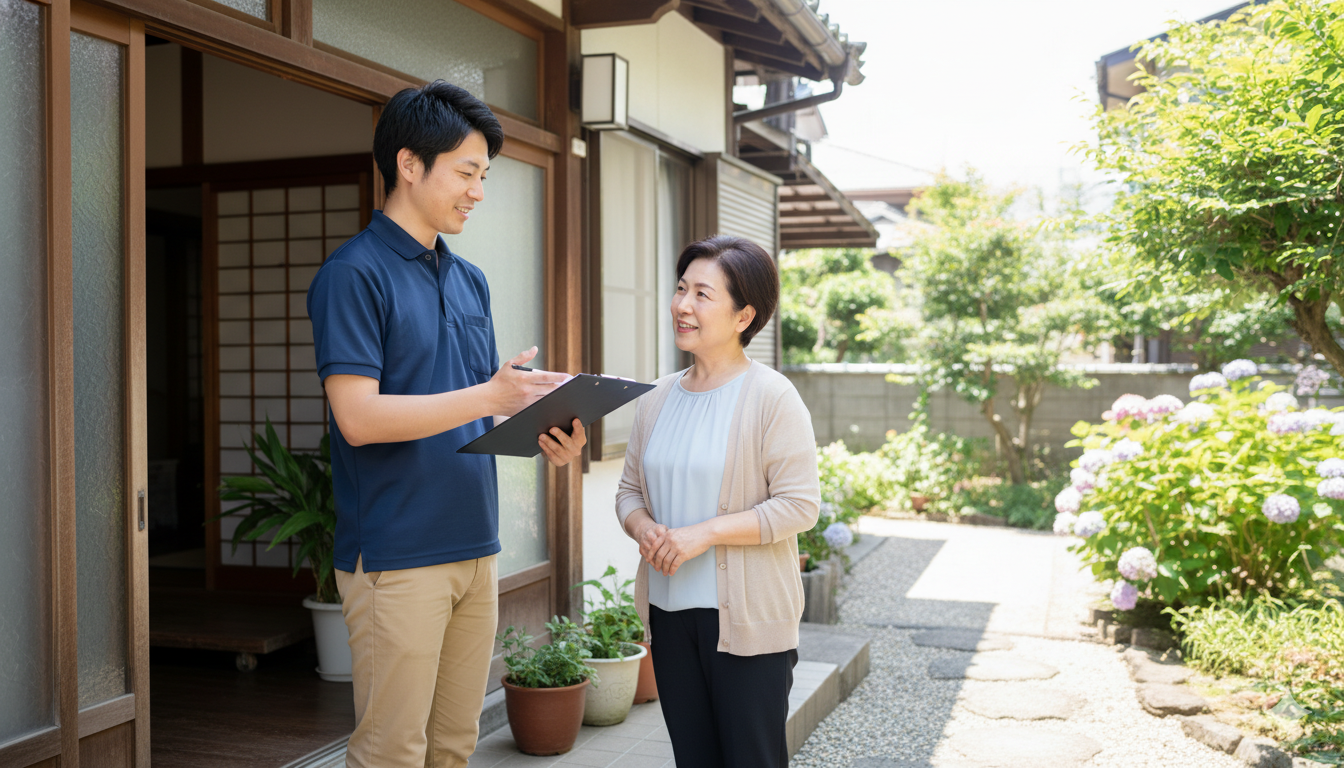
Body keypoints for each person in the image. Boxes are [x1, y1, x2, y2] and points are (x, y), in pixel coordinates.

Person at [307, 80, 586, 768]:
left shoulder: (470, 280)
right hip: (398, 556)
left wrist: (542, 427)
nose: (478, 191)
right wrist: (490, 393)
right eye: (467, 172)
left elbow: (468, 406)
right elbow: (359, 418)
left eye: (483, 176)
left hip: (475, 544)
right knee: (392, 752)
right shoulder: (352, 274)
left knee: (454, 747)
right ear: (409, 164)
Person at [615, 235, 821, 767]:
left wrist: (702, 533)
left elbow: (800, 506)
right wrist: (644, 529)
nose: (683, 305)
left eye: (702, 294)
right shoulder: (657, 396)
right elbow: (630, 492)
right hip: (668, 613)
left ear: (743, 315)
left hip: (747, 624)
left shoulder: (771, 396)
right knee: (694, 759)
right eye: (682, 289)